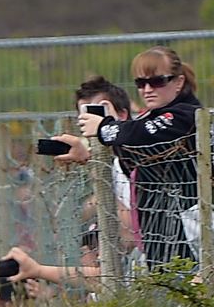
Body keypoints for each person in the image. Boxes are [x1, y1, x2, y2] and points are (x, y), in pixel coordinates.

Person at [77, 48, 202, 268]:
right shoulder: (151, 119)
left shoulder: (187, 114)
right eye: (140, 83)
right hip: (162, 231)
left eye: (157, 82)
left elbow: (144, 132)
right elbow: (134, 162)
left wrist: (106, 128)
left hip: (194, 223)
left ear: (179, 82)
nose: (147, 90)